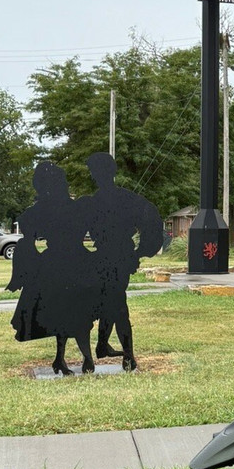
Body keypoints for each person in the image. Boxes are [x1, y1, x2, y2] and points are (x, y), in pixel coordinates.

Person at [8, 162, 100, 374]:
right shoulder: (50, 210)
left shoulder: (69, 208)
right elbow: (27, 244)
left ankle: (72, 358)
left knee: (75, 311)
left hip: (67, 262)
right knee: (68, 311)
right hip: (63, 264)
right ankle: (75, 358)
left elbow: (28, 244)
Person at [78, 152, 162, 371]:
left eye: (97, 172)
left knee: (116, 303)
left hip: (119, 257)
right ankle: (107, 346)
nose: (96, 176)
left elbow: (151, 220)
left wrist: (139, 252)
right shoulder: (101, 201)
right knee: (112, 300)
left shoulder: (122, 200)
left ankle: (124, 353)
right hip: (107, 256)